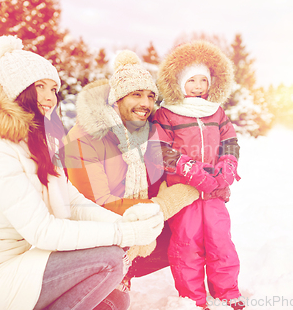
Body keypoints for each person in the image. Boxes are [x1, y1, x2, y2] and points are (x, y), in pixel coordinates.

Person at [0, 35, 165, 310]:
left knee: (117, 300)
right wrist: (123, 236)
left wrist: (125, 224)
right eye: (40, 87)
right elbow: (42, 231)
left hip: (25, 262)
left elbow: (73, 203)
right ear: (18, 90)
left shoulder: (41, 144)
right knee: (110, 259)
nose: (50, 97)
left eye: (53, 88)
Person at [63, 50, 199, 287]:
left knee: (197, 224)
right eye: (136, 95)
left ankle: (126, 268)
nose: (145, 104)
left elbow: (165, 177)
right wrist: (163, 205)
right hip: (93, 233)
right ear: (116, 99)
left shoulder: (146, 135)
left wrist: (203, 180)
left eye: (150, 96)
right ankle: (106, 274)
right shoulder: (84, 137)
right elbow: (95, 205)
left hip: (131, 222)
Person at [152, 40, 245, 310]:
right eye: (191, 80)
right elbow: (160, 149)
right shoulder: (167, 113)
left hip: (215, 190)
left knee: (221, 241)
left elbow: (230, 141)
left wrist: (228, 166)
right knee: (187, 245)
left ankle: (227, 292)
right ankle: (192, 299)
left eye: (203, 80)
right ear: (180, 83)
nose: (198, 86)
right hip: (184, 192)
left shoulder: (216, 111)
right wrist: (190, 169)